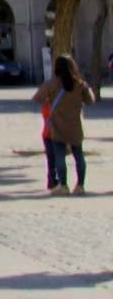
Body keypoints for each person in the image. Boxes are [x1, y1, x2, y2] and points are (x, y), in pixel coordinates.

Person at [35, 54, 95, 195]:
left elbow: (37, 98)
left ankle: (63, 185)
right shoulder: (80, 84)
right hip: (74, 125)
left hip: (57, 125)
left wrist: (50, 102)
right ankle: (80, 185)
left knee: (59, 155)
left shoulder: (51, 84)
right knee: (78, 155)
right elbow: (90, 101)